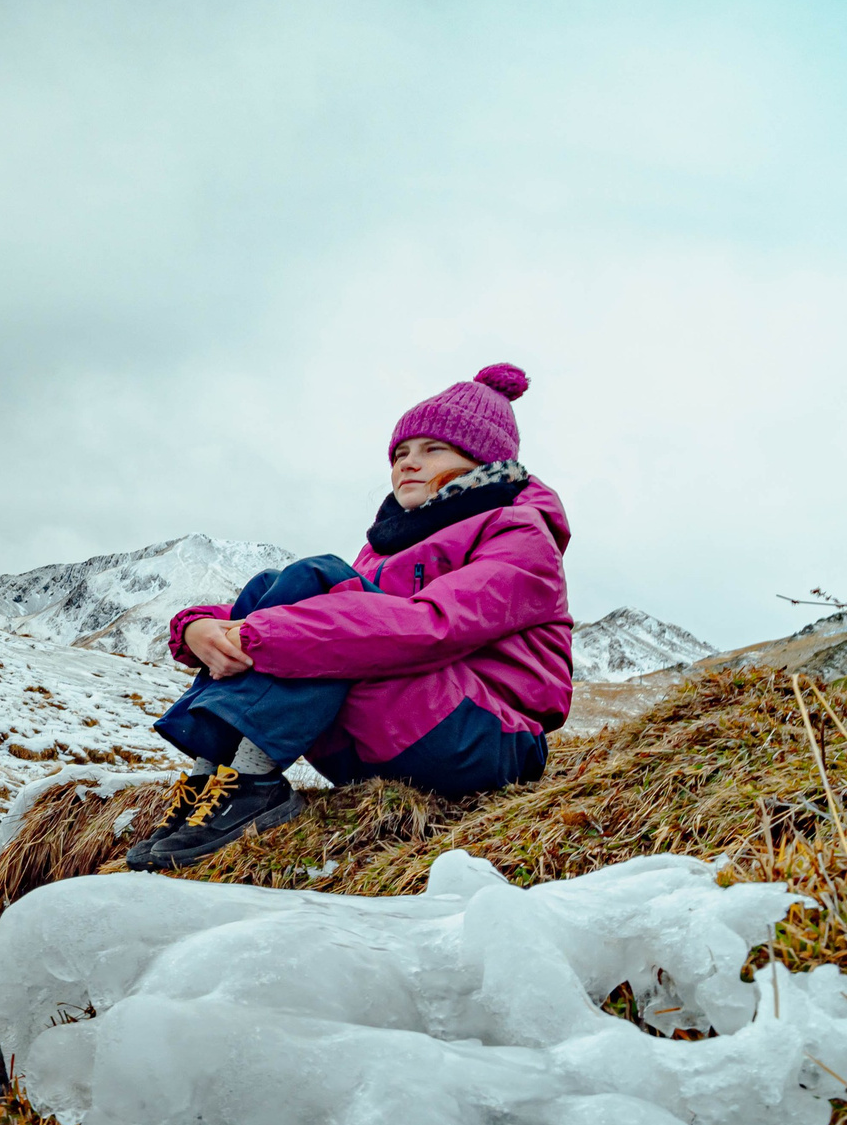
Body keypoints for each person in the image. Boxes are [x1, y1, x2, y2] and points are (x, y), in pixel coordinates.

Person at [129, 362, 573, 871]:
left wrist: (262, 635)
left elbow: (431, 626)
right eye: (401, 453)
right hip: (401, 731)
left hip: (488, 741)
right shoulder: (387, 547)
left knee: (321, 585)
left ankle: (253, 784)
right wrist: (200, 628)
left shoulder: (519, 534)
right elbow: (322, 615)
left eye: (433, 450)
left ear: (482, 462)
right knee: (277, 585)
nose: (408, 463)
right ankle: (212, 781)